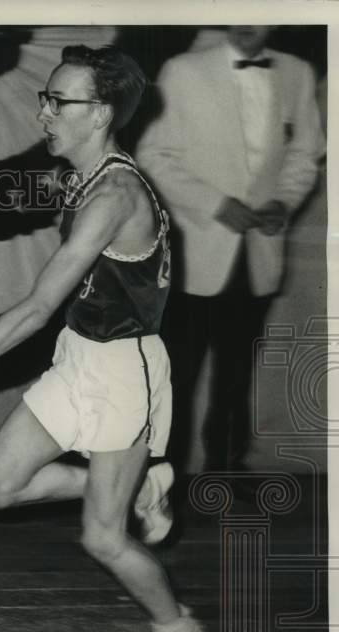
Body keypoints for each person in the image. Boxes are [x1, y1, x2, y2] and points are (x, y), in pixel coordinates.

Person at [0, 46, 202, 632]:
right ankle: (140, 484)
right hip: (79, 357)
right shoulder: (84, 176)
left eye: (57, 102)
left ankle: (178, 630)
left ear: (98, 114)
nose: (44, 113)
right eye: (46, 98)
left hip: (125, 375)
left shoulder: (114, 195)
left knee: (103, 538)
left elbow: (38, 306)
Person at [136, 26, 324, 477]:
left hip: (258, 254)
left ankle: (226, 471)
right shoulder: (183, 70)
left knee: (236, 374)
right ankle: (161, 479)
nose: (247, 21)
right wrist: (216, 205)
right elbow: (153, 155)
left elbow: (306, 152)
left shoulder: (297, 72)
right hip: (194, 252)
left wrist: (284, 200)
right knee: (176, 376)